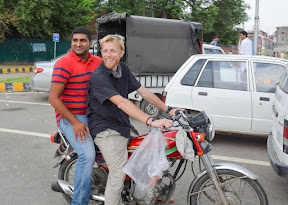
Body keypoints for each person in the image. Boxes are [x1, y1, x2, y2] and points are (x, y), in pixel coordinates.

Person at [87, 34, 177, 205]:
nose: (108, 55)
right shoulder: (99, 76)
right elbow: (121, 102)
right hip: (106, 129)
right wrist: (150, 120)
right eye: (105, 51)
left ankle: (148, 194)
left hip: (121, 125)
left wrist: (168, 109)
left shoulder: (122, 69)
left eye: (113, 51)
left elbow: (143, 91)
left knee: (145, 156)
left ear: (121, 53)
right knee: (118, 173)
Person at [49, 26, 102, 205]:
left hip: (93, 115)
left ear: (90, 42)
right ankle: (79, 202)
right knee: (87, 155)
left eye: (83, 40)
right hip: (70, 118)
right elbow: (53, 99)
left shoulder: (97, 62)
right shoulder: (64, 63)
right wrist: (75, 123)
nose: (78, 44)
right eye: (75, 40)